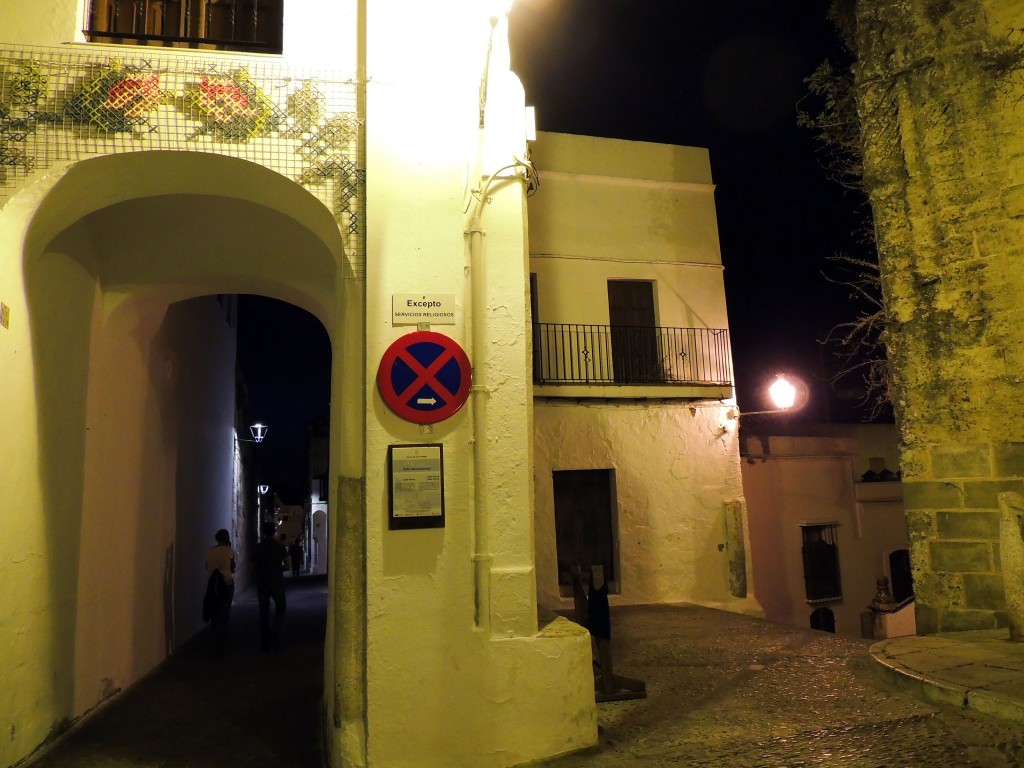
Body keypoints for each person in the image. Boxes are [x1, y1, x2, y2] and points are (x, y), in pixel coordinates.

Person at [254, 520, 290, 651]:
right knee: (280, 608)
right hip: (277, 581)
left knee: (264, 611)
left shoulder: (257, 548)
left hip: (262, 582)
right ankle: (275, 636)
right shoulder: (279, 547)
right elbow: (288, 565)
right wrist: (279, 569)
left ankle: (265, 641)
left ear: (263, 532)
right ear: (274, 531)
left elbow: (252, 567)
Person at [203, 528, 236, 655]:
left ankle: (215, 642)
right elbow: (232, 568)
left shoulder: (210, 552)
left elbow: (207, 567)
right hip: (226, 584)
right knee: (224, 614)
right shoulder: (229, 551)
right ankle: (221, 644)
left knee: (214, 613)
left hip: (212, 586)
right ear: (227, 538)